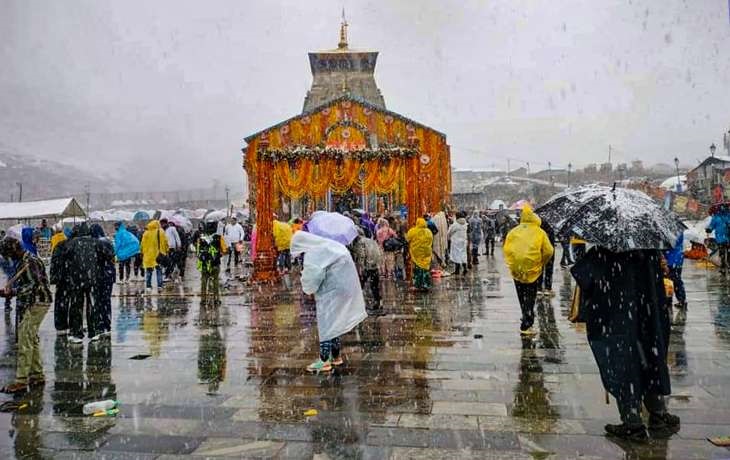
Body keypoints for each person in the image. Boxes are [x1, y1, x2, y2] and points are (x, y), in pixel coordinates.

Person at [571, 247, 679, 440]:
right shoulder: (650, 252)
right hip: (648, 319)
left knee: (624, 366)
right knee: (650, 361)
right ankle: (658, 414)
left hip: (618, 320)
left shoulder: (604, 252)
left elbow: (583, 276)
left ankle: (632, 423)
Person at [290, 231, 367, 373]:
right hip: (343, 289)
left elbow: (313, 277)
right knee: (334, 322)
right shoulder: (329, 246)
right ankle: (336, 356)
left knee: (326, 325)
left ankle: (324, 360)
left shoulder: (314, 253)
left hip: (329, 292)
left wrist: (307, 288)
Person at [0, 238, 52, 394]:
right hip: (37, 302)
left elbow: (33, 285)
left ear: (14, 250)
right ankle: (37, 375)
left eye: (8, 254)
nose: (9, 258)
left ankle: (21, 380)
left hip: (37, 302)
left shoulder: (29, 262)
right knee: (31, 337)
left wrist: (12, 292)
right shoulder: (27, 259)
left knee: (24, 338)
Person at [503, 205, 554, 335]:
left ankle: (525, 315)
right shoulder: (540, 232)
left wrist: (512, 263)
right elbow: (549, 251)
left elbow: (506, 249)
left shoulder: (513, 231)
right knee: (530, 296)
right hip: (533, 269)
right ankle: (527, 323)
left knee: (521, 294)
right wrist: (542, 262)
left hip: (517, 269)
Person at [64, 223, 101, 344]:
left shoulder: (72, 243)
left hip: (76, 279)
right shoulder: (95, 242)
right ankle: (94, 332)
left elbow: (66, 256)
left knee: (76, 306)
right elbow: (106, 255)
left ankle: (76, 333)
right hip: (92, 278)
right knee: (92, 304)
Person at [90, 224, 115, 340]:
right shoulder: (108, 242)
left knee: (98, 301)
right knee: (106, 300)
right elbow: (112, 257)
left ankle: (99, 325)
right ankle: (107, 324)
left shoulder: (93, 243)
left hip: (98, 276)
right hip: (108, 275)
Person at [352, 230, 383, 313]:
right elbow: (378, 252)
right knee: (374, 286)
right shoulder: (370, 241)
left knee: (360, 285)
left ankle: (357, 303)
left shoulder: (359, 242)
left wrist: (361, 267)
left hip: (367, 267)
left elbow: (362, 255)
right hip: (374, 266)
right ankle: (378, 302)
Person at [197, 223, 228, 306]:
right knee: (215, 281)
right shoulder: (218, 238)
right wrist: (219, 253)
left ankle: (203, 299)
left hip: (204, 264)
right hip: (215, 263)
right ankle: (216, 299)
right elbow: (224, 250)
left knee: (204, 281)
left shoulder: (201, 238)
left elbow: (198, 251)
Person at [49, 232, 71, 334]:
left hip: (61, 279)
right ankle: (71, 325)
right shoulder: (74, 246)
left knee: (61, 302)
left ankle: (61, 326)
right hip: (72, 278)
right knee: (73, 303)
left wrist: (53, 277)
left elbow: (54, 261)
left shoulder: (60, 245)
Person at [140, 220, 169, 294]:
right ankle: (159, 285)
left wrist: (142, 252)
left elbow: (142, 244)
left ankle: (148, 286)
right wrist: (166, 251)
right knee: (159, 270)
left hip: (148, 255)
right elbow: (165, 242)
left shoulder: (146, 233)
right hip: (158, 255)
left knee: (149, 271)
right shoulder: (161, 232)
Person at [406, 218, 434, 291]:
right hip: (426, 254)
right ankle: (426, 284)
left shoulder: (412, 231)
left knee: (417, 270)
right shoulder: (429, 231)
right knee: (425, 270)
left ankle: (417, 285)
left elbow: (407, 239)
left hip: (416, 254)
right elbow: (431, 240)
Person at [664, 232, 686, 309]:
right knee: (670, 280)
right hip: (674, 258)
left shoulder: (673, 231)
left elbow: (673, 243)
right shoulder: (674, 229)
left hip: (674, 259)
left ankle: (680, 300)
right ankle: (672, 300)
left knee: (675, 280)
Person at [706, 207, 730, 273]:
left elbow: (711, 226)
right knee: (723, 252)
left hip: (722, 238)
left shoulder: (717, 217)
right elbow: (711, 226)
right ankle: (724, 265)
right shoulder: (717, 217)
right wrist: (709, 229)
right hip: (722, 238)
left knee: (725, 253)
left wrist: (709, 229)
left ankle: (725, 266)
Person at [537, 220, 556, 296]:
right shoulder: (551, 226)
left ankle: (539, 288)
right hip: (549, 250)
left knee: (540, 269)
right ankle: (548, 288)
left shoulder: (538, 225)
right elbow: (552, 240)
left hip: (540, 250)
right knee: (549, 269)